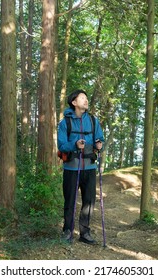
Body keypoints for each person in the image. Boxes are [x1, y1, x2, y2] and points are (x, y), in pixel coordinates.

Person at [57, 89, 105, 245]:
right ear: (74, 102)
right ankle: (67, 231)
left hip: (90, 168)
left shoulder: (93, 121)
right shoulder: (65, 123)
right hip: (71, 169)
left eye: (86, 98)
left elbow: (100, 140)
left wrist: (99, 145)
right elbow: (62, 145)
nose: (86, 100)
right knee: (70, 201)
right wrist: (75, 144)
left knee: (89, 202)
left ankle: (85, 233)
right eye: (82, 98)